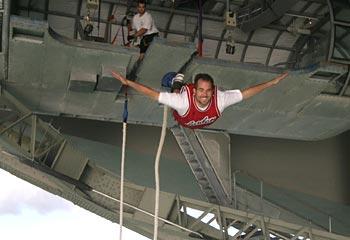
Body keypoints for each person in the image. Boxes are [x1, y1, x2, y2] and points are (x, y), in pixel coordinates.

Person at [111, 71, 289, 129]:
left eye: (208, 91)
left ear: (213, 91)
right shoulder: (183, 102)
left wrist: (271, 83)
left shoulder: (220, 99)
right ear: (195, 90)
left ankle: (179, 83)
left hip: (197, 122)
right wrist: (128, 82)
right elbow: (152, 94)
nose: (205, 94)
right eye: (201, 90)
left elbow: (246, 93)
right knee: (173, 96)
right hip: (183, 117)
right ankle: (177, 82)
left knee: (177, 100)